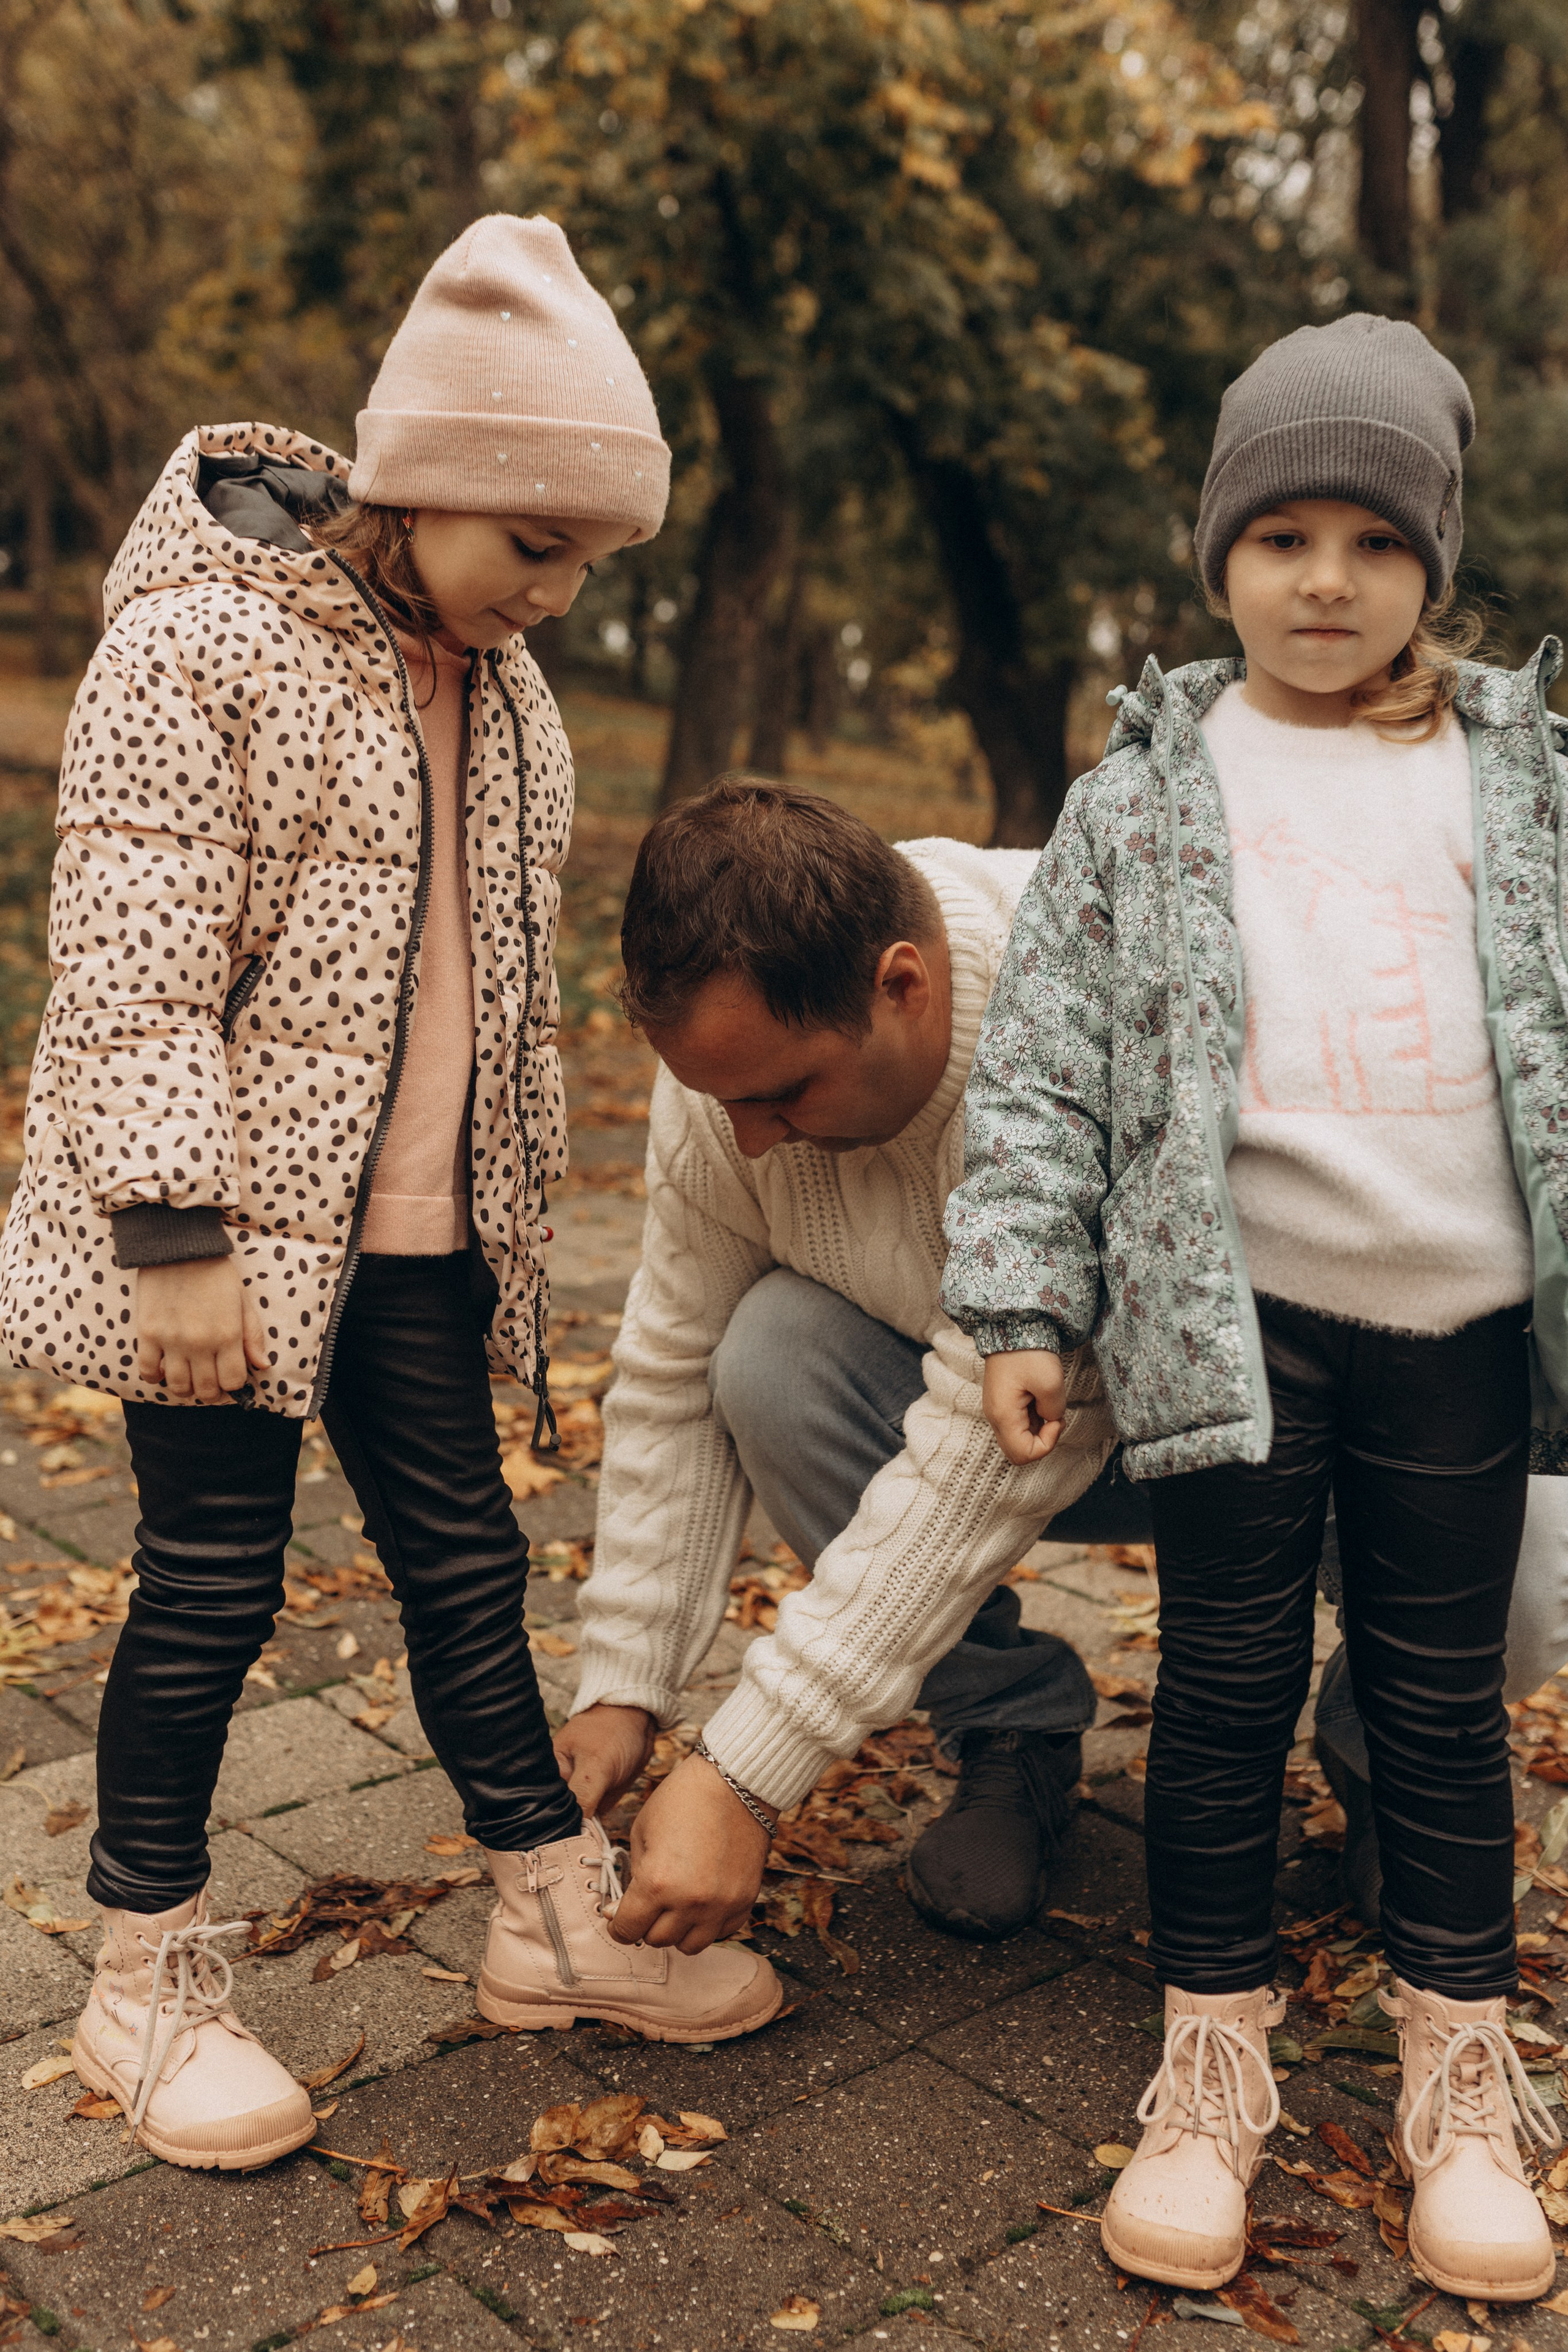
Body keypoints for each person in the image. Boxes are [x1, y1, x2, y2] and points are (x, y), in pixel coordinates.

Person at [0, 215, 782, 2176]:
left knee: (466, 1573)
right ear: (427, 479)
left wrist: (505, 1223)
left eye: (590, 562)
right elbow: (132, 964)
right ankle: (143, 1976)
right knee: (209, 1585)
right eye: (535, 542)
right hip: (223, 1247)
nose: (559, 591)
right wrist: (172, 1233)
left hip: (422, 1243)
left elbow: (491, 1001)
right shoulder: (201, 646)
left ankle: (547, 1921)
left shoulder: (508, 698)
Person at [944, 312, 1568, 2305]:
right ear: (1221, 550)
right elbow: (1045, 1070)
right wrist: (1024, 1298)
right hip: (1239, 1322)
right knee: (1221, 1688)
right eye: (1283, 535)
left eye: (1375, 543)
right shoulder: (1147, 791)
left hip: (1464, 1327)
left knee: (1439, 1706)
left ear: (1433, 565)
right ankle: (1209, 2062)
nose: (1325, 580)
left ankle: (1462, 2079)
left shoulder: (1520, 779)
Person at [553, 782, 1126, 1951]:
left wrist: (747, 1772)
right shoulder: (734, 1069)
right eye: (722, 1100)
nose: (749, 1138)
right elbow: (672, 1371)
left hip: (1262, 1427)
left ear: (903, 986)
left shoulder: (1078, 1008)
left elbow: (989, 1444)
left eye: (781, 1094)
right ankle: (1010, 1724)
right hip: (1019, 1418)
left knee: (1488, 1559)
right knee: (766, 1351)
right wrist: (625, 1683)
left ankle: (1388, 1757)